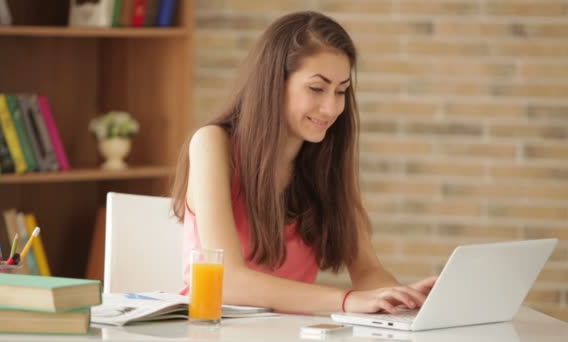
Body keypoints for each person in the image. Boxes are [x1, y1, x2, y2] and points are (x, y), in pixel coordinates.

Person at [172, 11, 436, 314]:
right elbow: (227, 281)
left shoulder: (324, 162)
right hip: (213, 329)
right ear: (274, 82)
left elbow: (367, 270)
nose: (331, 107)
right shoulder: (212, 144)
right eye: (316, 88)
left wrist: (399, 300)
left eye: (341, 91)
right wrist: (347, 300)